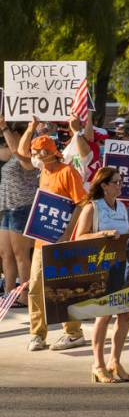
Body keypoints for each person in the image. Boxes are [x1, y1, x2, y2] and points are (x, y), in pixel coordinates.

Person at [18, 120, 88, 352]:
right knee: (36, 287)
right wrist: (31, 127)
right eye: (34, 152)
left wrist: (68, 234)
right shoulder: (43, 170)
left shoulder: (68, 172)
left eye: (37, 152)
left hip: (64, 241)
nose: (34, 156)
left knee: (64, 287)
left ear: (49, 153)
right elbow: (20, 151)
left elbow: (82, 203)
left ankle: (74, 333)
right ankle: (37, 334)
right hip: (42, 241)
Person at [73, 167, 129, 383]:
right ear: (104, 186)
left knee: (126, 314)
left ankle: (115, 361)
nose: (120, 185)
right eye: (116, 182)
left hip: (122, 266)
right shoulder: (92, 208)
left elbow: (126, 235)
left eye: (121, 181)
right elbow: (79, 238)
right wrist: (102, 234)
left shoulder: (123, 207)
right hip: (101, 268)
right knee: (104, 314)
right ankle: (97, 364)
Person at [0, 119, 37, 310]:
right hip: (6, 208)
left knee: (21, 254)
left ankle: (25, 295)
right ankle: (8, 294)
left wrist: (5, 127)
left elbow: (17, 152)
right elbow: (8, 151)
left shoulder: (28, 154)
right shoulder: (9, 152)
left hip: (22, 207)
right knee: (6, 254)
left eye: (13, 132)